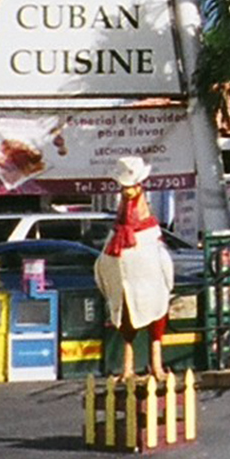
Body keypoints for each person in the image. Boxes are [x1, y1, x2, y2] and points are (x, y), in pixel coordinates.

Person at [95, 155, 175, 379]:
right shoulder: (116, 234)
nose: (128, 191)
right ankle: (128, 367)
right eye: (125, 187)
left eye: (132, 186)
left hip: (150, 284)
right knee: (125, 319)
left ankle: (156, 365)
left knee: (157, 315)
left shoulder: (151, 238)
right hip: (124, 287)